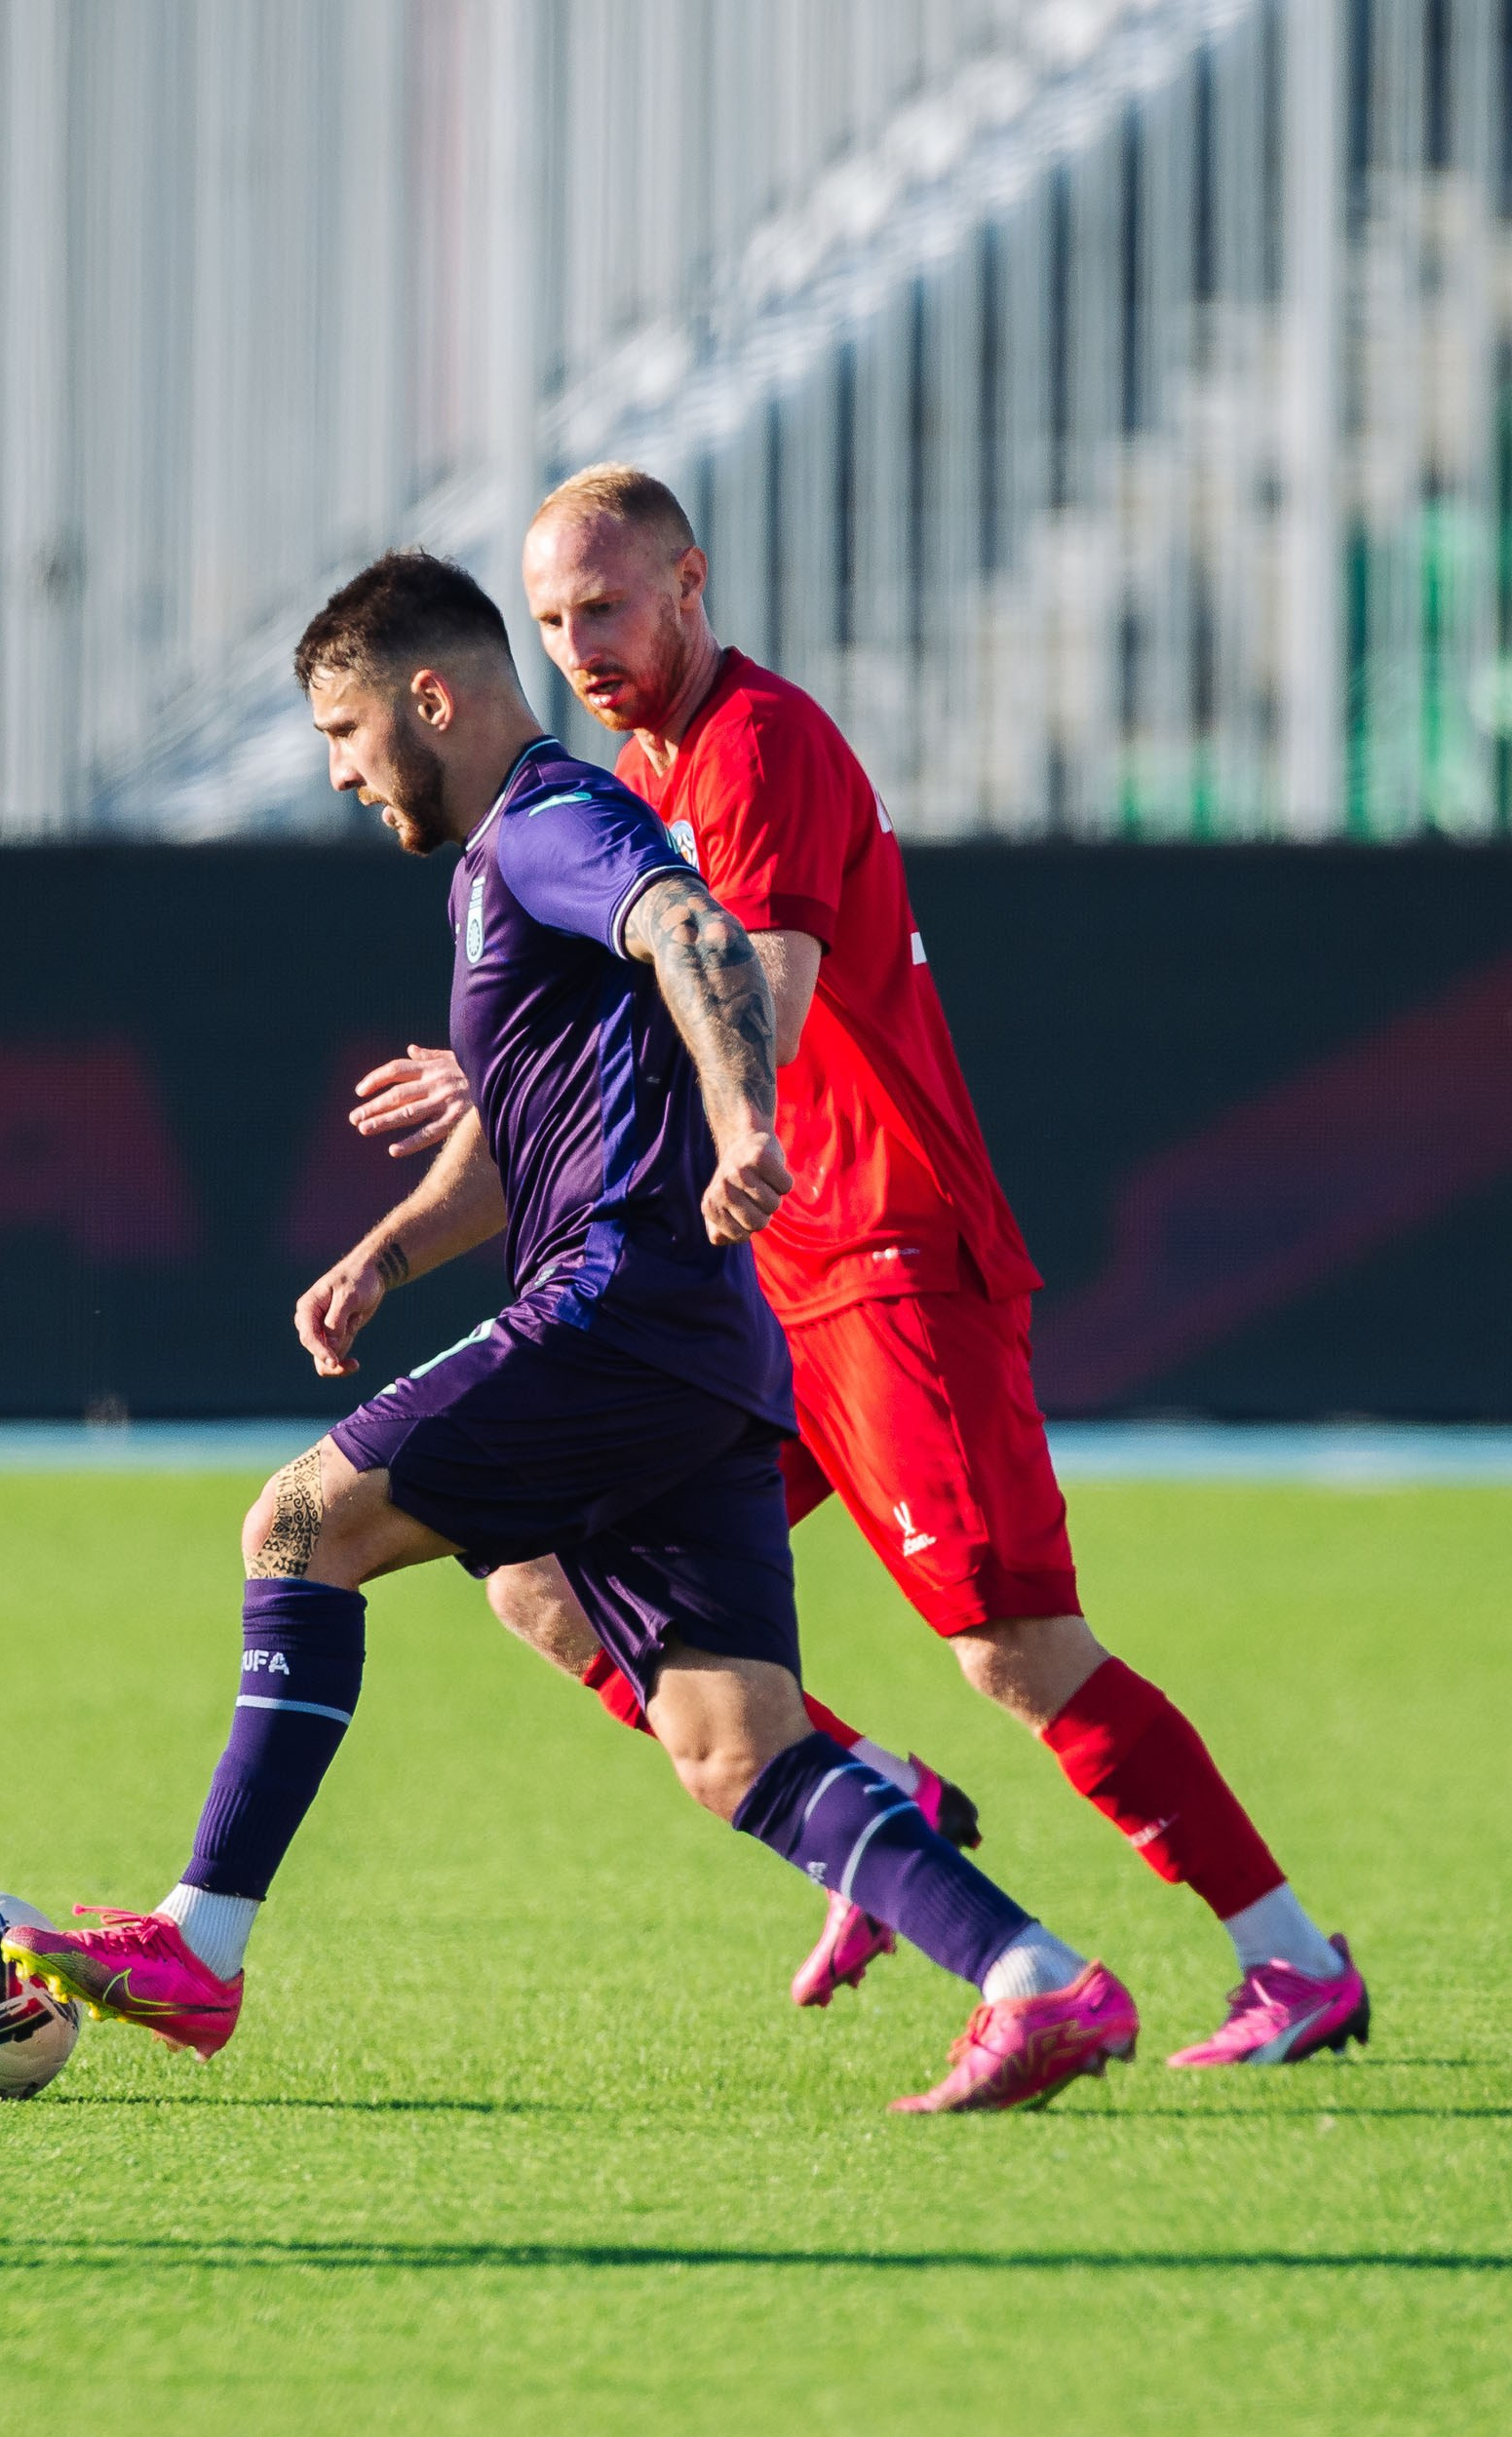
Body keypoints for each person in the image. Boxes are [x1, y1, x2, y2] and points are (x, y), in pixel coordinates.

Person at [5, 547, 1139, 2113]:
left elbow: (693, 930)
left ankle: (201, 1946)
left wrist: (750, 1126)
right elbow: (556, 1107)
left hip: (617, 1315)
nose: (338, 774)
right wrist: (388, 1259)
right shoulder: (510, 864)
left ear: (432, 698)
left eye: (343, 735)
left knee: (296, 1525)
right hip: (705, 1352)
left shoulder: (550, 823)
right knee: (734, 1743)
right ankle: (1040, 1982)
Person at [348, 472, 1369, 2070]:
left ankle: (1293, 1959)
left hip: (884, 1255)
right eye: (551, 623)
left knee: (1014, 1645)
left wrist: (671, 1104)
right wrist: (494, 1099)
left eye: (605, 608)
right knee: (537, 1574)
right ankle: (876, 1800)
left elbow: (763, 989)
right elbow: (633, 1025)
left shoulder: (757, 747)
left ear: (692, 581)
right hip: (757, 1285)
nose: (579, 646)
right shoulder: (638, 768)